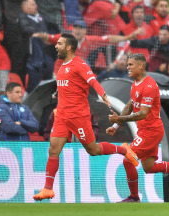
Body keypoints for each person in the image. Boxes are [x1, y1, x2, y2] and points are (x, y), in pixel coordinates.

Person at [32, 33, 137, 201]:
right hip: (62, 116)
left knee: (93, 150)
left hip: (79, 116)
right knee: (53, 149)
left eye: (59, 43)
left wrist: (103, 95)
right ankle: (47, 189)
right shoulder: (61, 66)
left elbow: (93, 81)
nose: (56, 46)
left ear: (68, 47)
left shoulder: (80, 64)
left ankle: (124, 149)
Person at [106, 53, 169, 202]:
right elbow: (130, 105)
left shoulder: (149, 86)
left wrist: (120, 119)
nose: (127, 67)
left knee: (127, 160)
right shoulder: (135, 83)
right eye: (128, 64)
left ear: (141, 66)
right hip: (145, 130)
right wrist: (116, 125)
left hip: (151, 131)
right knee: (149, 167)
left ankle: (134, 197)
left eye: (131, 65)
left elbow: (143, 113)